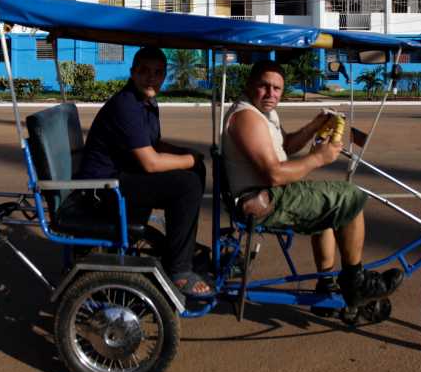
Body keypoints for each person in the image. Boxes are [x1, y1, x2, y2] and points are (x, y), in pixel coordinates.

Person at [221, 60, 403, 307]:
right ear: (250, 84)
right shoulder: (247, 117)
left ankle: (326, 284)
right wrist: (318, 158)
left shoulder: (264, 112)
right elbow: (274, 174)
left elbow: (286, 145)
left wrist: (315, 125)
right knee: (350, 197)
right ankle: (356, 283)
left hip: (272, 194)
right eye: (264, 86)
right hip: (264, 200)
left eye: (277, 88)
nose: (271, 93)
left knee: (328, 203)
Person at [75, 46, 212, 298]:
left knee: (194, 172)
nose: (151, 77)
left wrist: (186, 153)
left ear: (164, 75)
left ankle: (181, 247)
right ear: (132, 72)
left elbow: (154, 144)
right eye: (144, 71)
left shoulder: (147, 101)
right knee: (187, 184)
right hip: (100, 191)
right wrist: (190, 159)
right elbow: (150, 163)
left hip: (121, 177)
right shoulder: (126, 105)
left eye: (158, 72)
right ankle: (179, 270)